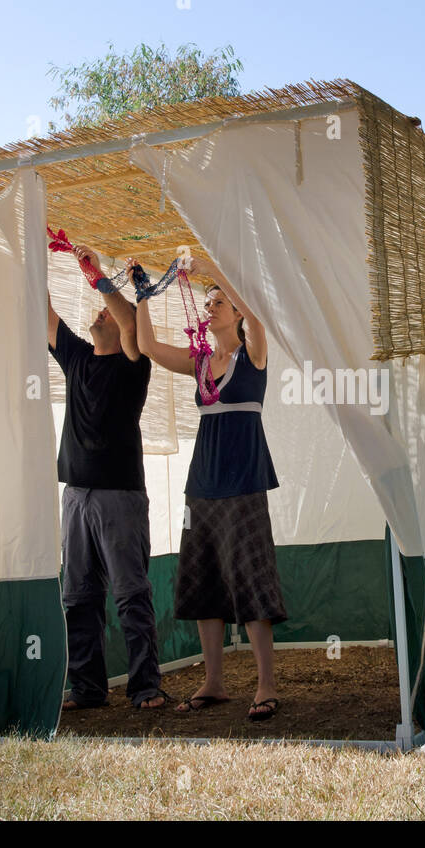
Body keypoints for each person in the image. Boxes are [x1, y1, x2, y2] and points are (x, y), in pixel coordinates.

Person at [134, 253, 286, 721]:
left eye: (220, 301)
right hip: (201, 487)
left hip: (244, 483)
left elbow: (256, 314)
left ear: (237, 313)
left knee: (252, 581)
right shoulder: (200, 361)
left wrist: (214, 269)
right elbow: (148, 346)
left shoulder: (254, 351)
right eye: (210, 301)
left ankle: (265, 684)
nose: (211, 306)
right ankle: (214, 682)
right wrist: (142, 294)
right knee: (202, 582)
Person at [47, 243, 168, 711]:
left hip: (121, 498)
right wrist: (32, 249)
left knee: (131, 594)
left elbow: (133, 323)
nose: (99, 315)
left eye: (107, 313)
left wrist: (97, 277)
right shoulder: (76, 356)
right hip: (75, 496)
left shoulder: (133, 367)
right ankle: (88, 689)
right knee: (78, 598)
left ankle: (145, 687)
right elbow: (45, 313)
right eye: (98, 310)